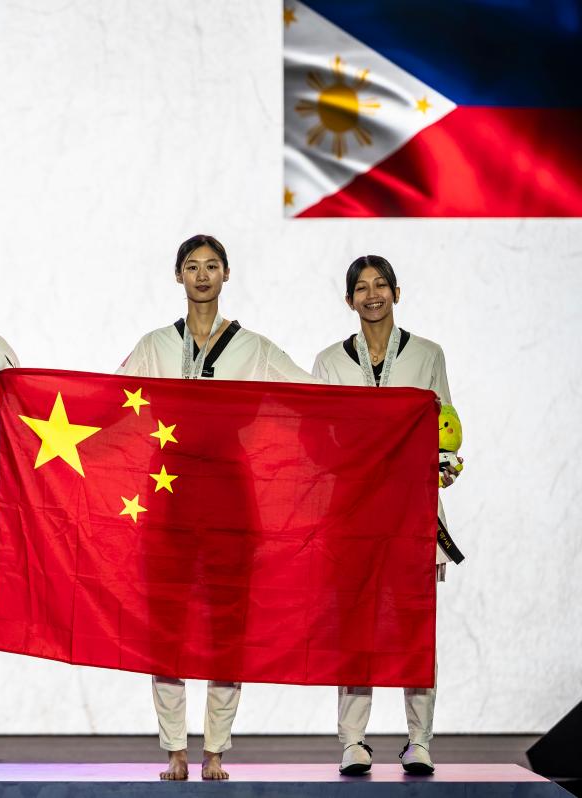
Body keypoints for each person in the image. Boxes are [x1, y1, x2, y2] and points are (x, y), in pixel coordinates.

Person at [117, 234, 317, 781]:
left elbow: (316, 395)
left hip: (230, 490)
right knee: (166, 623)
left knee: (229, 623)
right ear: (177, 276)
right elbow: (107, 398)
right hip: (170, 491)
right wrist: (26, 391)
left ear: (227, 274)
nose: (202, 275)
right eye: (191, 266)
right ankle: (174, 749)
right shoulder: (155, 345)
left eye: (211, 266)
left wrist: (396, 409)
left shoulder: (254, 348)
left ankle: (215, 751)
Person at [312, 255, 460, 777]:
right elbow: (316, 437)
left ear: (397, 293)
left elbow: (446, 427)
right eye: (361, 287)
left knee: (415, 627)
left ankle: (419, 741)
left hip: (412, 514)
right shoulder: (330, 361)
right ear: (348, 299)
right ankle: (353, 741)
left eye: (380, 285)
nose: (371, 294)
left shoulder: (427, 354)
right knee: (355, 630)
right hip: (352, 515)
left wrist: (446, 466)